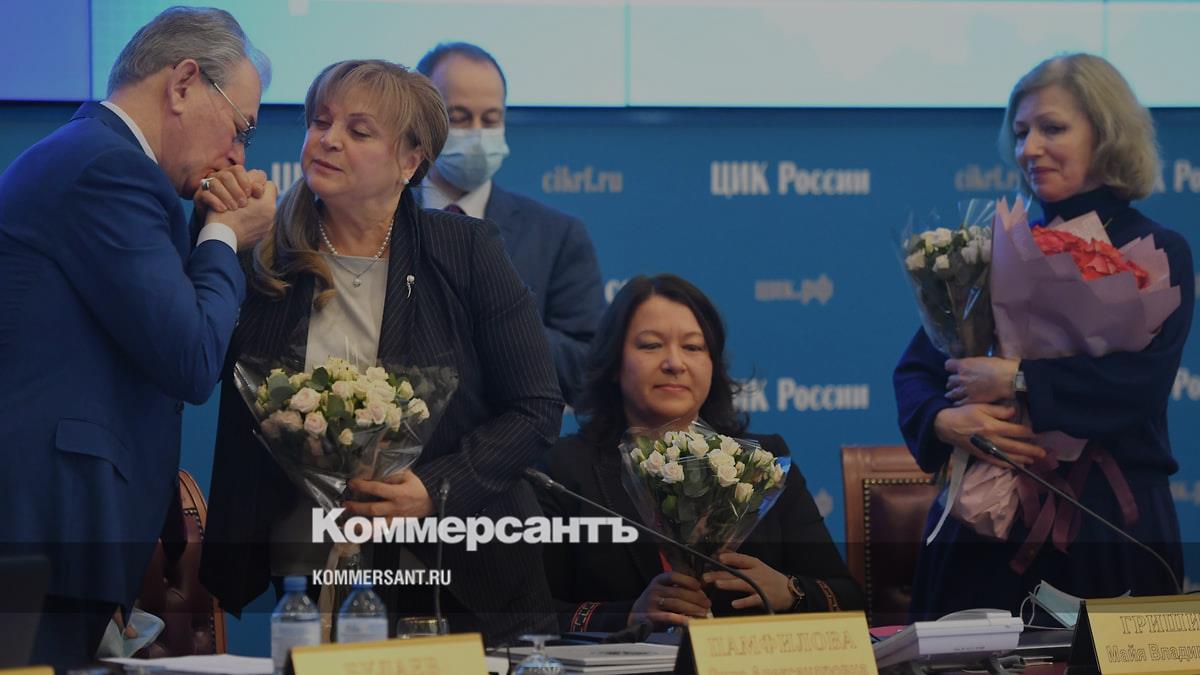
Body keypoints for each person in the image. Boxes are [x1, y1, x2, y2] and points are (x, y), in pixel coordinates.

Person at [200, 59, 562, 645]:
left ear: (410, 161)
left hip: (467, 577)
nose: (329, 139)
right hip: (317, 573)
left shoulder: (464, 250)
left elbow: (536, 408)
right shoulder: (264, 255)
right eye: (321, 122)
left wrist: (434, 489)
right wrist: (212, 228)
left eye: (359, 131)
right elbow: (198, 359)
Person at [0, 7, 274, 666]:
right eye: (241, 127)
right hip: (46, 531)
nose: (239, 155)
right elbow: (190, 358)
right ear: (182, 84)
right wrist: (224, 234)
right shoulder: (109, 169)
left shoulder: (94, 158)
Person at [894, 53, 1193, 620]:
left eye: (1052, 128)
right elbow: (916, 372)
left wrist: (1019, 379)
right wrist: (943, 420)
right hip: (987, 529)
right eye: (1021, 132)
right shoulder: (992, 246)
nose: (1028, 148)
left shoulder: (1158, 250)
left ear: (1106, 134)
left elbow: (1140, 385)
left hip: (1110, 528)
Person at [538, 274, 863, 632]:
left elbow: (849, 598)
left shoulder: (762, 462)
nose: (674, 362)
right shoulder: (564, 470)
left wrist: (791, 591)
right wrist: (627, 615)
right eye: (651, 345)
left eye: (693, 347)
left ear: (713, 364)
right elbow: (528, 614)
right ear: (614, 364)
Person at [415, 42, 605, 406]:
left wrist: (501, 324)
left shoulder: (557, 235)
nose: (477, 134)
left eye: (490, 120)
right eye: (459, 117)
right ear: (422, 120)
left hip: (514, 435)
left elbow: (589, 369)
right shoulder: (380, 220)